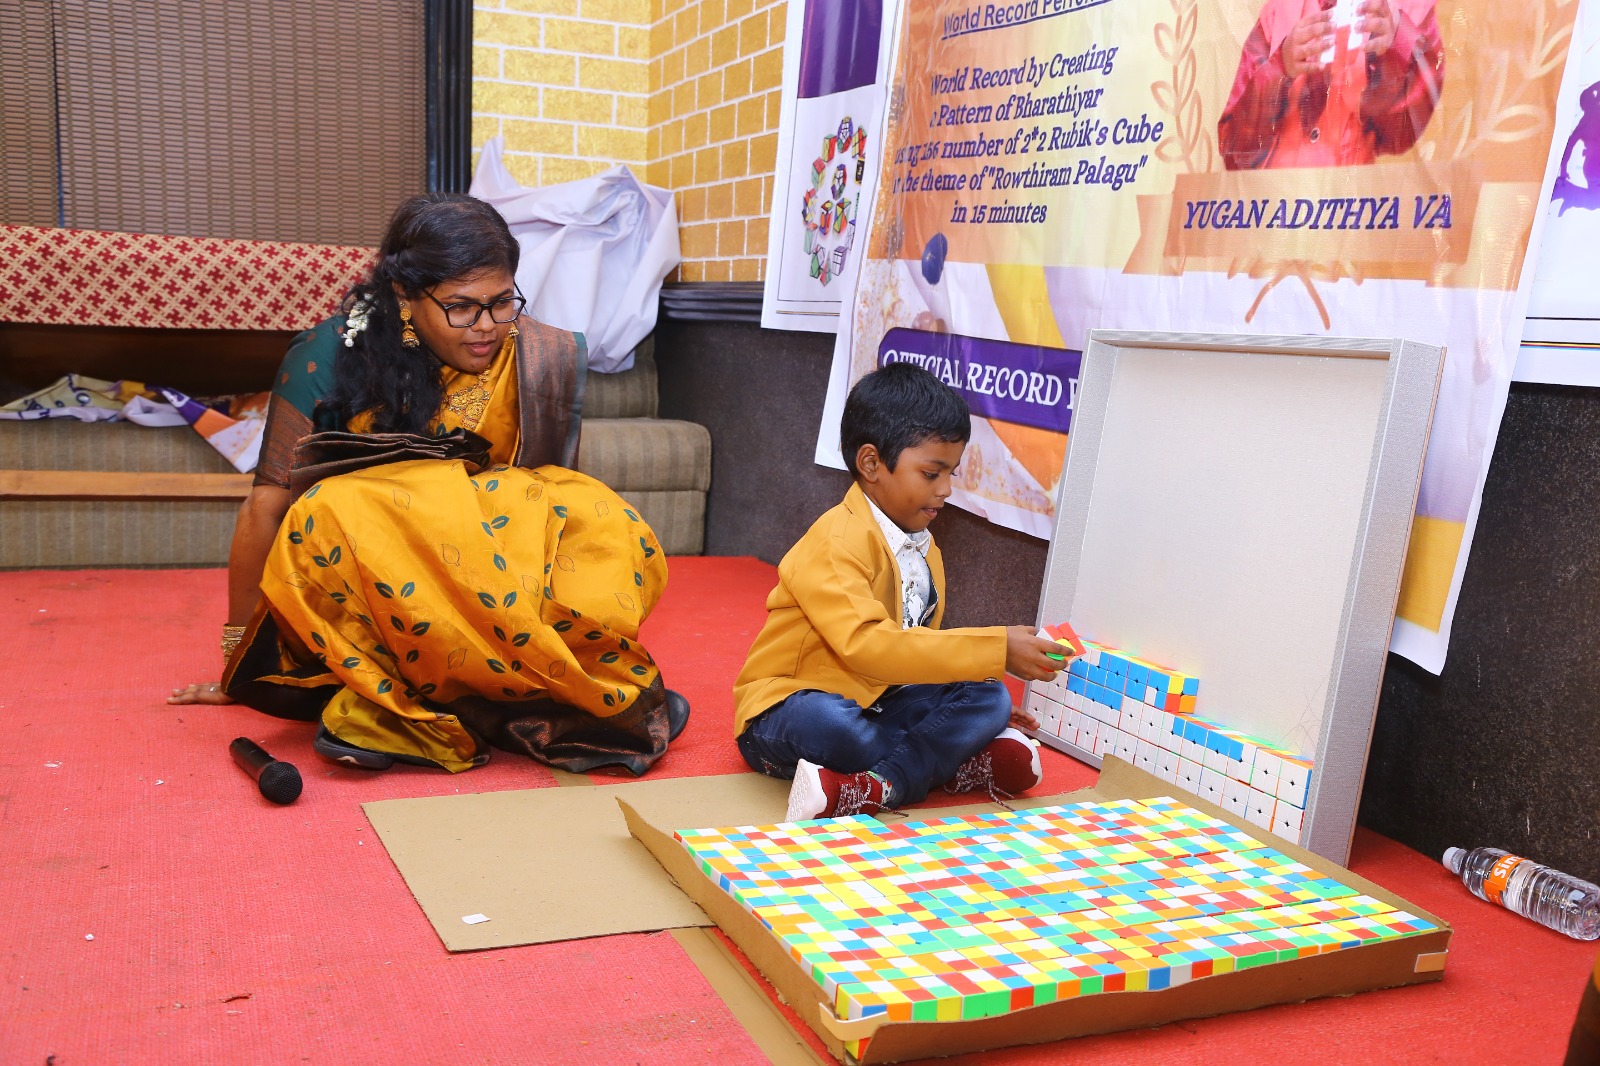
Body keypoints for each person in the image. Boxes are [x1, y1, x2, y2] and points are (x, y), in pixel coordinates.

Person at [170, 193, 686, 775]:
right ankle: (464, 700)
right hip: (382, 583)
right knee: (330, 507)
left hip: (493, 568)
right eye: (462, 308)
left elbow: (543, 491)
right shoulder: (329, 354)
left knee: (593, 511)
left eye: (501, 302)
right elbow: (267, 506)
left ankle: (519, 696)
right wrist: (238, 662)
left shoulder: (535, 354)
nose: (487, 326)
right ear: (403, 297)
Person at [732, 362, 1068, 820]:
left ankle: (879, 785)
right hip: (789, 709)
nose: (946, 490)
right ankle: (947, 761)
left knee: (990, 696)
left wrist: (963, 693)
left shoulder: (924, 547)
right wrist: (995, 648)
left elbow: (914, 654)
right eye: (932, 474)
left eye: (951, 474)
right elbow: (870, 647)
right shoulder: (834, 542)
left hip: (881, 700)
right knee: (837, 730)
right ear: (871, 463)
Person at [1218, 0, 1444, 170]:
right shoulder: (1277, 13)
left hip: (1349, 209)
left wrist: (1397, 46)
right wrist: (1279, 67)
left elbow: (1404, 134)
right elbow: (1235, 149)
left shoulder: (1409, 11)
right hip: (1273, 209)